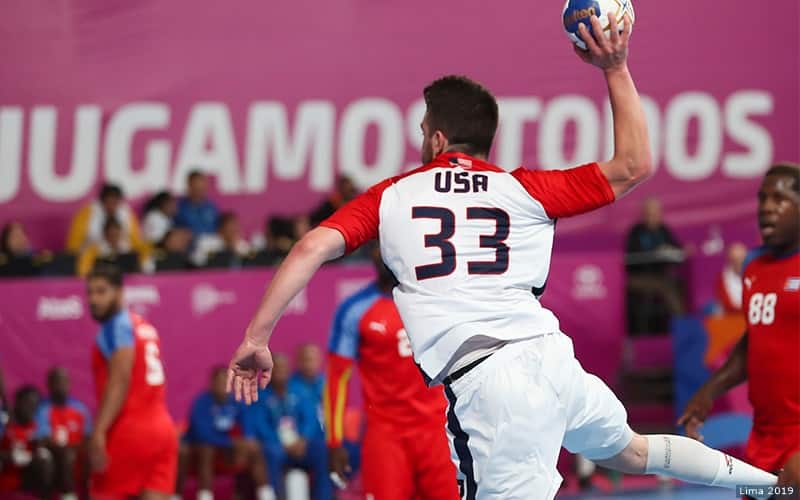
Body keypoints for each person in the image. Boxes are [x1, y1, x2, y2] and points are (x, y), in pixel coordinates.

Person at [227, 15, 778, 499]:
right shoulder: (524, 190)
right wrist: (616, 67)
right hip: (553, 359)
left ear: (438, 139)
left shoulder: (392, 195)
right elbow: (633, 164)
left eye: (422, 131)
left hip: (493, 385)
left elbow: (309, 247)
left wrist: (256, 338)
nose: (420, 140)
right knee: (631, 452)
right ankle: (773, 486)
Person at [679, 164, 800, 495]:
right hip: (763, 440)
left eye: (780, 198)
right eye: (762, 199)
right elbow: (755, 341)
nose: (766, 207)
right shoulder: (754, 268)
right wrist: (709, 391)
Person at [325, 244, 459, 499]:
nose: (384, 251)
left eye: (390, 242)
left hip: (438, 432)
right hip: (386, 437)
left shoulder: (438, 302)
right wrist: (334, 442)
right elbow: (336, 380)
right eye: (378, 245)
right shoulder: (354, 310)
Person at [86, 263, 177, 499]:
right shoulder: (144, 326)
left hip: (128, 431)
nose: (93, 299)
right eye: (90, 292)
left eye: (101, 291)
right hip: (162, 431)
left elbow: (120, 380)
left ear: (119, 291)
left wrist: (99, 431)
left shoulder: (116, 327)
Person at [179, 366, 273, 500]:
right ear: (212, 383)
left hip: (225, 448)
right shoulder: (201, 402)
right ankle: (205, 495)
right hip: (197, 446)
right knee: (207, 450)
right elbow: (202, 435)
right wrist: (231, 443)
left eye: (227, 381)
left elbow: (247, 423)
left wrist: (248, 439)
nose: (223, 385)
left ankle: (266, 494)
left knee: (255, 449)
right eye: (220, 382)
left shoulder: (235, 401)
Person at [248, 354, 330, 500]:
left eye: (283, 368)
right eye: (275, 369)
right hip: (277, 446)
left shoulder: (299, 391)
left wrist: (303, 439)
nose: (280, 372)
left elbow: (310, 419)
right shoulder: (260, 396)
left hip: (300, 445)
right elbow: (260, 426)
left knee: (322, 451)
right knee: (270, 453)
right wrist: (282, 443)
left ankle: (323, 497)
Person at [624, 196, 686, 332]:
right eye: (650, 213)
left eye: (656, 213)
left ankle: (680, 328)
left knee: (678, 284)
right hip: (638, 277)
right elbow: (630, 256)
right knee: (665, 287)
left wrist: (682, 250)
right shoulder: (636, 231)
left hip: (660, 276)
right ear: (644, 214)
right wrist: (654, 252)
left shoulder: (663, 230)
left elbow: (676, 248)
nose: (653, 216)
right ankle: (682, 324)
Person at [35, 367, 92, 500]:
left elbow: (88, 437)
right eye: (57, 382)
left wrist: (77, 448)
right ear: (49, 384)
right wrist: (64, 449)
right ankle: (66, 494)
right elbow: (43, 439)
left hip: (76, 451)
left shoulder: (80, 408)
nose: (61, 386)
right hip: (54, 453)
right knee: (52, 458)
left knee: (90, 455)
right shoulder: (43, 409)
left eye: (65, 381)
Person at [0, 386, 53, 496]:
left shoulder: (37, 426)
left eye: (35, 405)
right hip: (5, 470)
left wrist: (35, 453)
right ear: (17, 401)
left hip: (25, 475)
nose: (31, 408)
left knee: (46, 460)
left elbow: (41, 446)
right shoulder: (4, 421)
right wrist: (9, 456)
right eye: (28, 403)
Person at [66, 183, 146, 254]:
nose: (111, 207)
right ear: (102, 201)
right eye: (109, 202)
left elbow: (136, 242)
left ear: (119, 202)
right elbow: (74, 245)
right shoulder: (86, 214)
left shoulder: (126, 213)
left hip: (122, 256)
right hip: (92, 256)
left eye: (114, 203)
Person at [175, 170, 220, 236]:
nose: (199, 192)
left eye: (202, 188)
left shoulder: (212, 207)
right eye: (196, 188)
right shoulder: (178, 208)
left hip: (211, 244)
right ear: (189, 186)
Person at [716, 242, 748, 314]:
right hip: (731, 315)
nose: (739, 263)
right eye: (736, 260)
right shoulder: (723, 278)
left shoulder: (754, 275)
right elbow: (724, 301)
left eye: (741, 259)